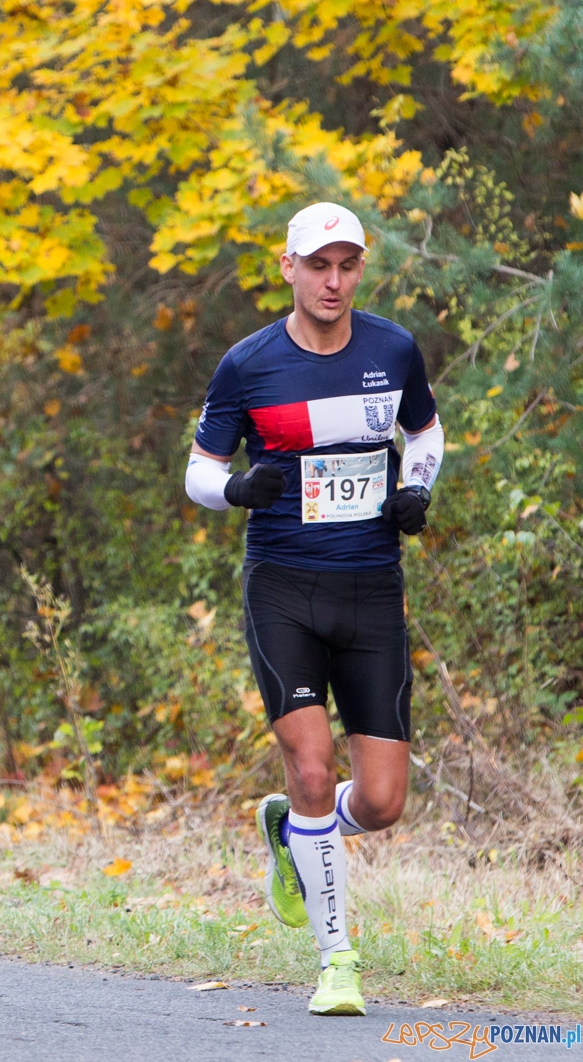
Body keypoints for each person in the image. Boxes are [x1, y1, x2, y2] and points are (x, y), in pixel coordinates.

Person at [184, 202, 443, 1016]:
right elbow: (198, 470)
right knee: (310, 766)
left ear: (360, 269)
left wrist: (416, 489)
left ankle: (293, 826)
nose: (334, 281)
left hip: (371, 587)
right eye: (319, 265)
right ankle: (338, 961)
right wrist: (237, 487)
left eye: (347, 265)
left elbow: (426, 435)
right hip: (283, 586)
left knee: (382, 802)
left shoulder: (392, 349)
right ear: (289, 267)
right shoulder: (248, 364)